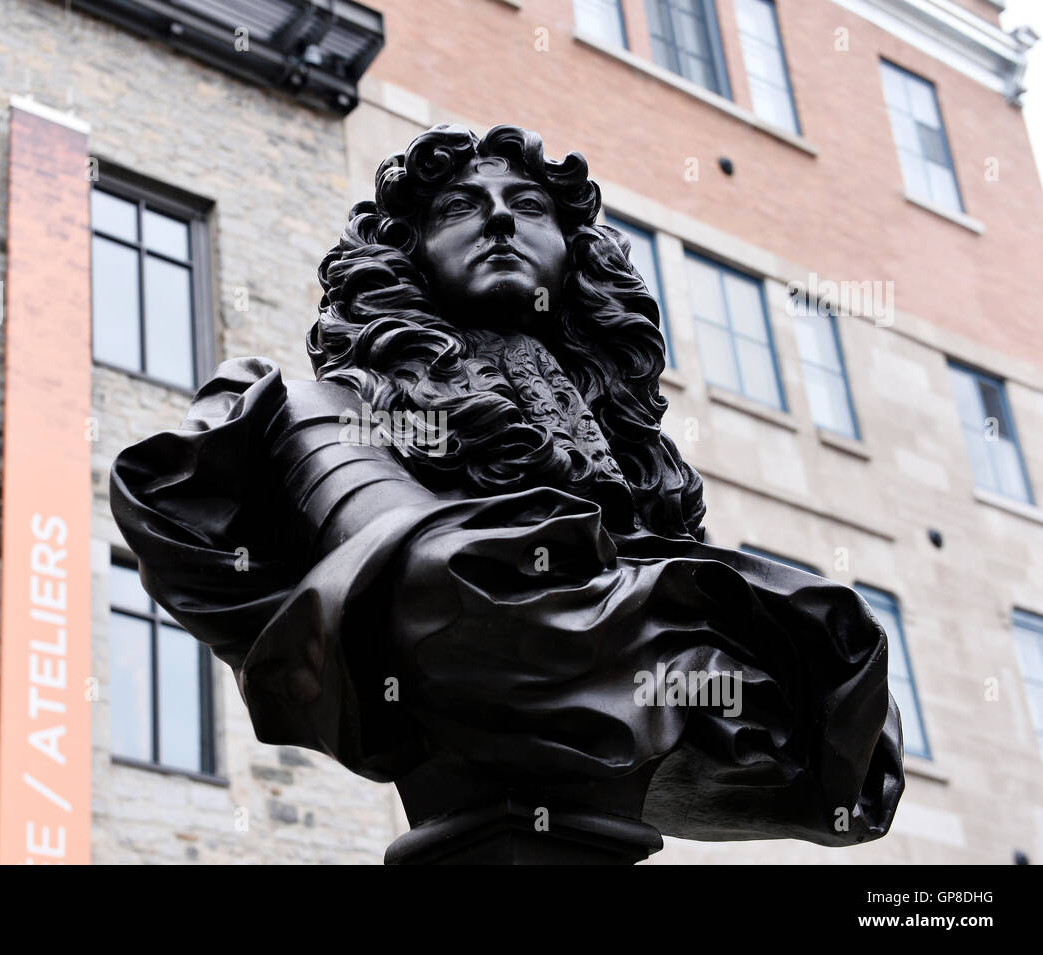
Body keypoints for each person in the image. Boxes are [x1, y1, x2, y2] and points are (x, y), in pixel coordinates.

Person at [111, 124, 904, 848]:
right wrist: (730, 621)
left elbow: (850, 700)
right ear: (406, 253)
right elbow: (446, 593)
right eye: (460, 206)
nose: (499, 220)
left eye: (527, 205)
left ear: (573, 252)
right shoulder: (324, 412)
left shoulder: (637, 467)